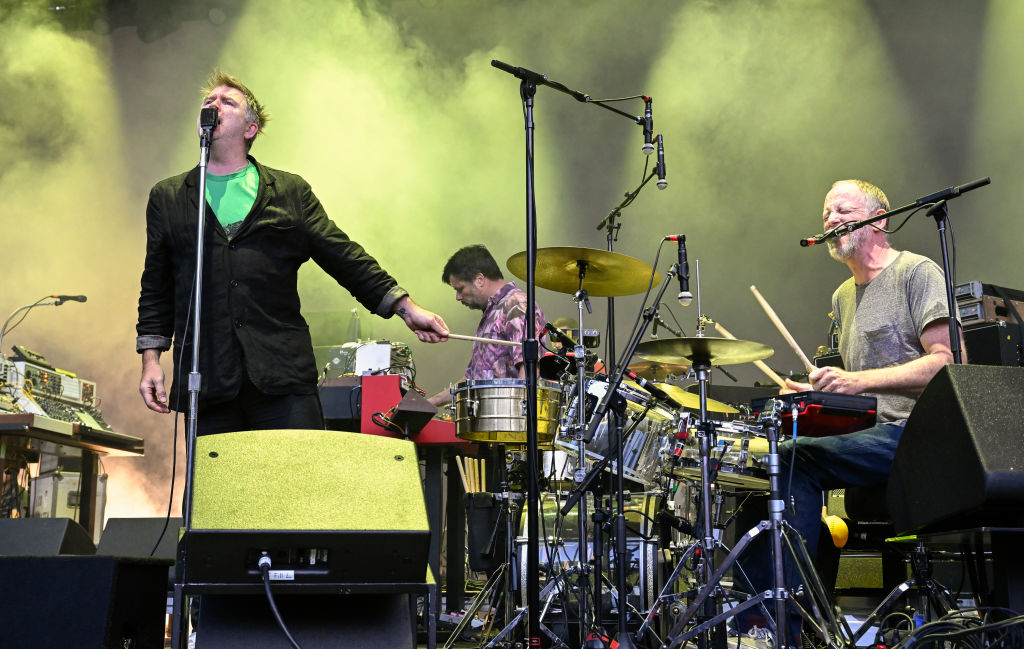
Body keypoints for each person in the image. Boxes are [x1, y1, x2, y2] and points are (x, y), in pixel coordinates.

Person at [137, 71, 448, 434]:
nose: (213, 104)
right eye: (208, 101)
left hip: (282, 377)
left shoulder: (288, 191)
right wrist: (151, 360)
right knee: (218, 489)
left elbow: (341, 254)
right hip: (208, 378)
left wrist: (405, 307)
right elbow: (156, 286)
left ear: (250, 129)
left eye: (227, 102)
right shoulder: (169, 196)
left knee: (293, 486)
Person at [736, 179, 961, 645]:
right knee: (765, 462)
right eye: (825, 213)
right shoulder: (842, 296)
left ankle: (779, 627)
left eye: (842, 209)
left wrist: (857, 382)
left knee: (796, 458)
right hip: (870, 434)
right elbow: (851, 392)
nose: (830, 219)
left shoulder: (916, 273)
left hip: (915, 433)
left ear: (878, 219)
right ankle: (782, 612)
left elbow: (945, 362)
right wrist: (810, 392)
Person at [427, 245, 546, 406]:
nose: (458, 297)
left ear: (480, 280)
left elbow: (530, 369)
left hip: (509, 425)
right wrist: (429, 403)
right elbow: (473, 379)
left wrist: (518, 418)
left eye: (460, 289)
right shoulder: (492, 313)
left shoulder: (516, 304)